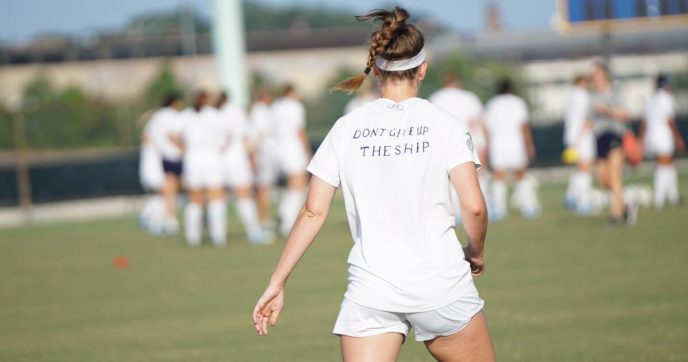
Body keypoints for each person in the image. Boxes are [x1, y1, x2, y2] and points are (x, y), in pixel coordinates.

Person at [253, 7, 495, 361]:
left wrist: (277, 281)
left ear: (378, 68)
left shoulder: (346, 128)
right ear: (423, 68)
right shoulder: (446, 124)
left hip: (372, 290)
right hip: (440, 284)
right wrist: (476, 251)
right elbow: (473, 206)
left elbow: (312, 212)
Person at [430, 72, 490, 223]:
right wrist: (485, 143)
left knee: (449, 179)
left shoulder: (436, 97)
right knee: (478, 175)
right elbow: (478, 122)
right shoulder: (469, 97)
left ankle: (454, 212)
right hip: (470, 140)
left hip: (444, 142)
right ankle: (484, 207)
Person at [217, 92, 272, 245]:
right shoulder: (235, 112)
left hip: (216, 159)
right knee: (244, 195)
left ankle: (218, 236)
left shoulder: (214, 113)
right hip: (235, 158)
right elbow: (246, 137)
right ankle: (254, 232)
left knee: (217, 197)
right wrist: (253, 157)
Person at [484, 78, 539, 220]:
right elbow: (524, 126)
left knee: (498, 177)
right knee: (520, 175)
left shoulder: (492, 104)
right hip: (516, 142)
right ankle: (528, 206)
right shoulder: (518, 102)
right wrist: (529, 145)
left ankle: (499, 208)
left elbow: (487, 128)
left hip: (498, 143)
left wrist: (488, 146)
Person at [181, 91, 230, 246]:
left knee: (195, 198)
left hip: (193, 157)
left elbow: (173, 134)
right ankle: (218, 237)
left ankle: (192, 238)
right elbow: (228, 133)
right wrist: (220, 148)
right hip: (210, 156)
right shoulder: (214, 114)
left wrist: (184, 149)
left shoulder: (186, 114)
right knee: (216, 195)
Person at [589, 62, 634, 225]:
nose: (594, 77)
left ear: (605, 75)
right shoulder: (592, 95)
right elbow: (590, 119)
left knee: (615, 174)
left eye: (596, 73)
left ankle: (615, 215)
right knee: (603, 179)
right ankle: (626, 205)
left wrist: (607, 110)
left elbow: (626, 114)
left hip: (615, 134)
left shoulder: (615, 91)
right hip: (599, 137)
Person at [270, 84, 312, 237]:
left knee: (292, 185)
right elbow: (299, 129)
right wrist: (307, 151)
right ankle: (287, 220)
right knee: (298, 185)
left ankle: (284, 213)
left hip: (278, 148)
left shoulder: (275, 106)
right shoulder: (295, 106)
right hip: (292, 147)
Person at [640, 74, 685, 209]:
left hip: (652, 135)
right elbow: (669, 120)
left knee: (669, 164)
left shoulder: (651, 99)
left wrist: (641, 138)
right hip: (662, 134)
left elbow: (644, 122)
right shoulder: (666, 98)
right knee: (663, 164)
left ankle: (672, 195)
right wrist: (677, 137)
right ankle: (659, 198)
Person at [146, 92, 185, 234]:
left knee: (168, 190)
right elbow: (172, 135)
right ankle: (170, 219)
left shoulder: (157, 116)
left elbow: (147, 135)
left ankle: (168, 219)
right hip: (174, 156)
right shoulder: (171, 115)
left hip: (162, 157)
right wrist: (183, 149)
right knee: (177, 189)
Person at [563, 75, 596, 214]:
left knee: (580, 168)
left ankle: (572, 194)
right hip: (582, 136)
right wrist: (581, 136)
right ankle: (583, 201)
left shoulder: (571, 96)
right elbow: (586, 117)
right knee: (586, 168)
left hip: (572, 135)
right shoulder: (583, 95)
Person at [250, 88, 279, 230]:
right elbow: (257, 135)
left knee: (266, 188)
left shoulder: (266, 110)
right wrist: (256, 156)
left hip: (268, 151)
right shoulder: (258, 111)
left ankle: (265, 218)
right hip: (263, 153)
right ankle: (263, 219)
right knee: (263, 188)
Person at [138, 104, 167, 235]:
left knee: (158, 195)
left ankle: (148, 216)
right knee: (160, 193)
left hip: (154, 167)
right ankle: (154, 221)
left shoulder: (153, 129)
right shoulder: (151, 129)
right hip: (152, 167)